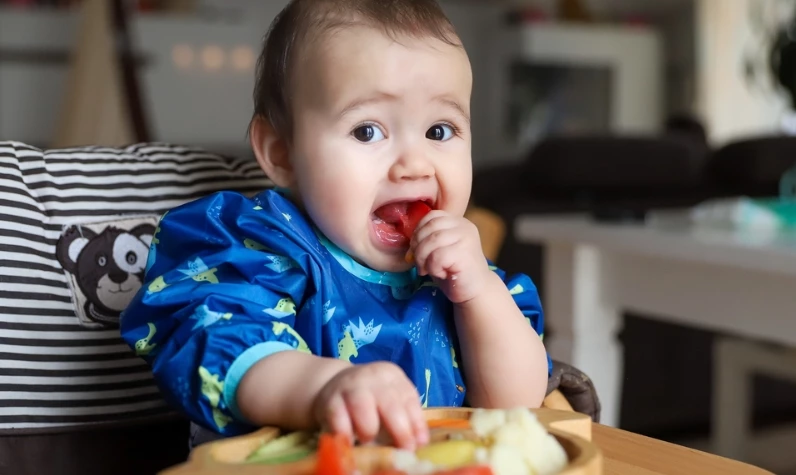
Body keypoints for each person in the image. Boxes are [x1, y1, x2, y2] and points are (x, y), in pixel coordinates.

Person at [120, 0, 550, 451]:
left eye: (440, 130)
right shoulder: (264, 248)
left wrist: (480, 293)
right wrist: (325, 388)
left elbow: (517, 403)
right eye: (368, 131)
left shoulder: (463, 276)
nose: (414, 164)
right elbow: (220, 348)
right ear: (282, 152)